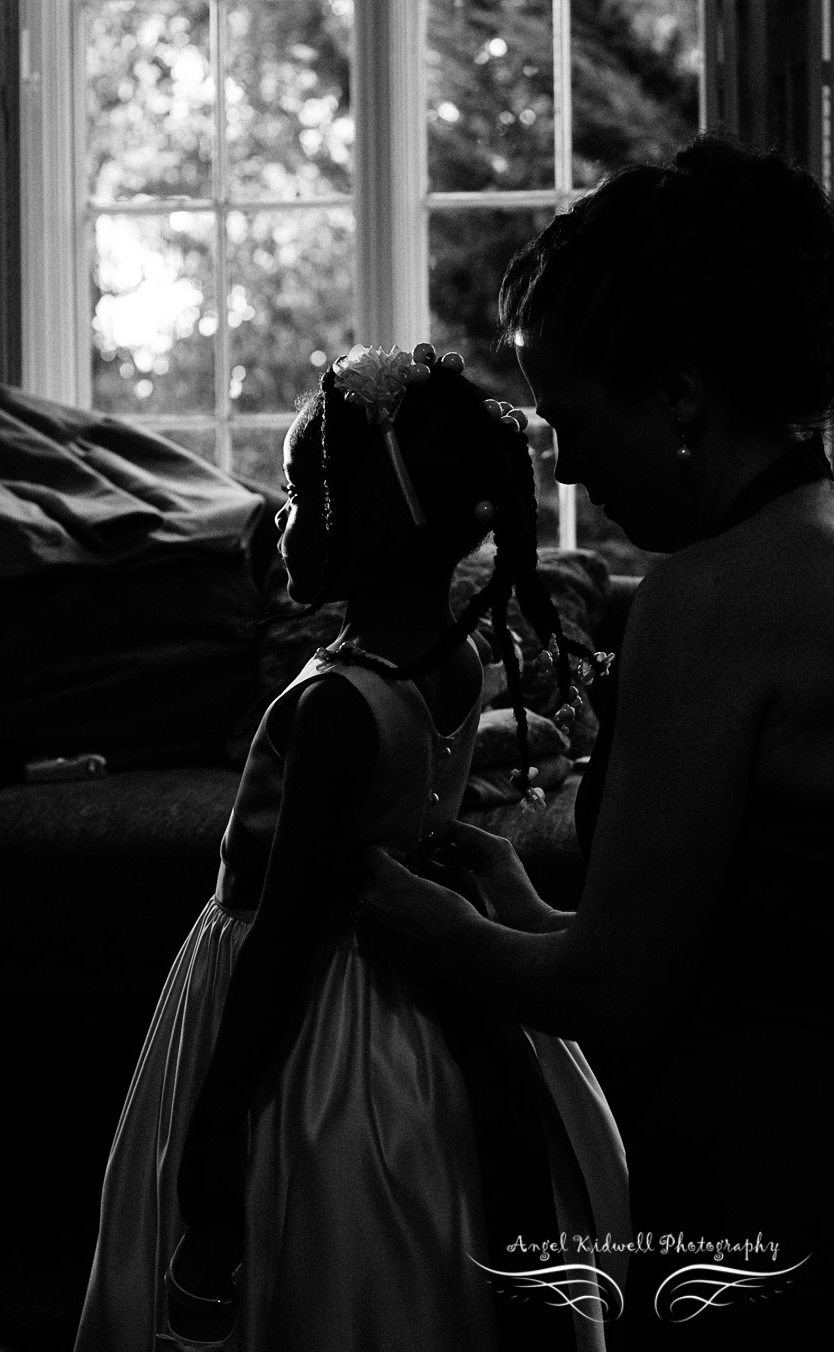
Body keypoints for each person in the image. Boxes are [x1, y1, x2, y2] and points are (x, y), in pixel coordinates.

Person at [361, 135, 834, 1350]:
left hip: (759, 1188)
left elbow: (620, 996)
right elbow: (725, 941)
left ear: (679, 395)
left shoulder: (712, 597)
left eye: (573, 417)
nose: (564, 463)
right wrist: (526, 903)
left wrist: (424, 922)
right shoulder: (816, 543)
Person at [73, 342, 629, 1352]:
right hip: (414, 999)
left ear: (365, 523)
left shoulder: (335, 704)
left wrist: (219, 1118)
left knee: (304, 1252)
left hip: (309, 1023)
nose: (279, 517)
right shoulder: (449, 657)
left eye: (295, 492)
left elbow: (284, 932)